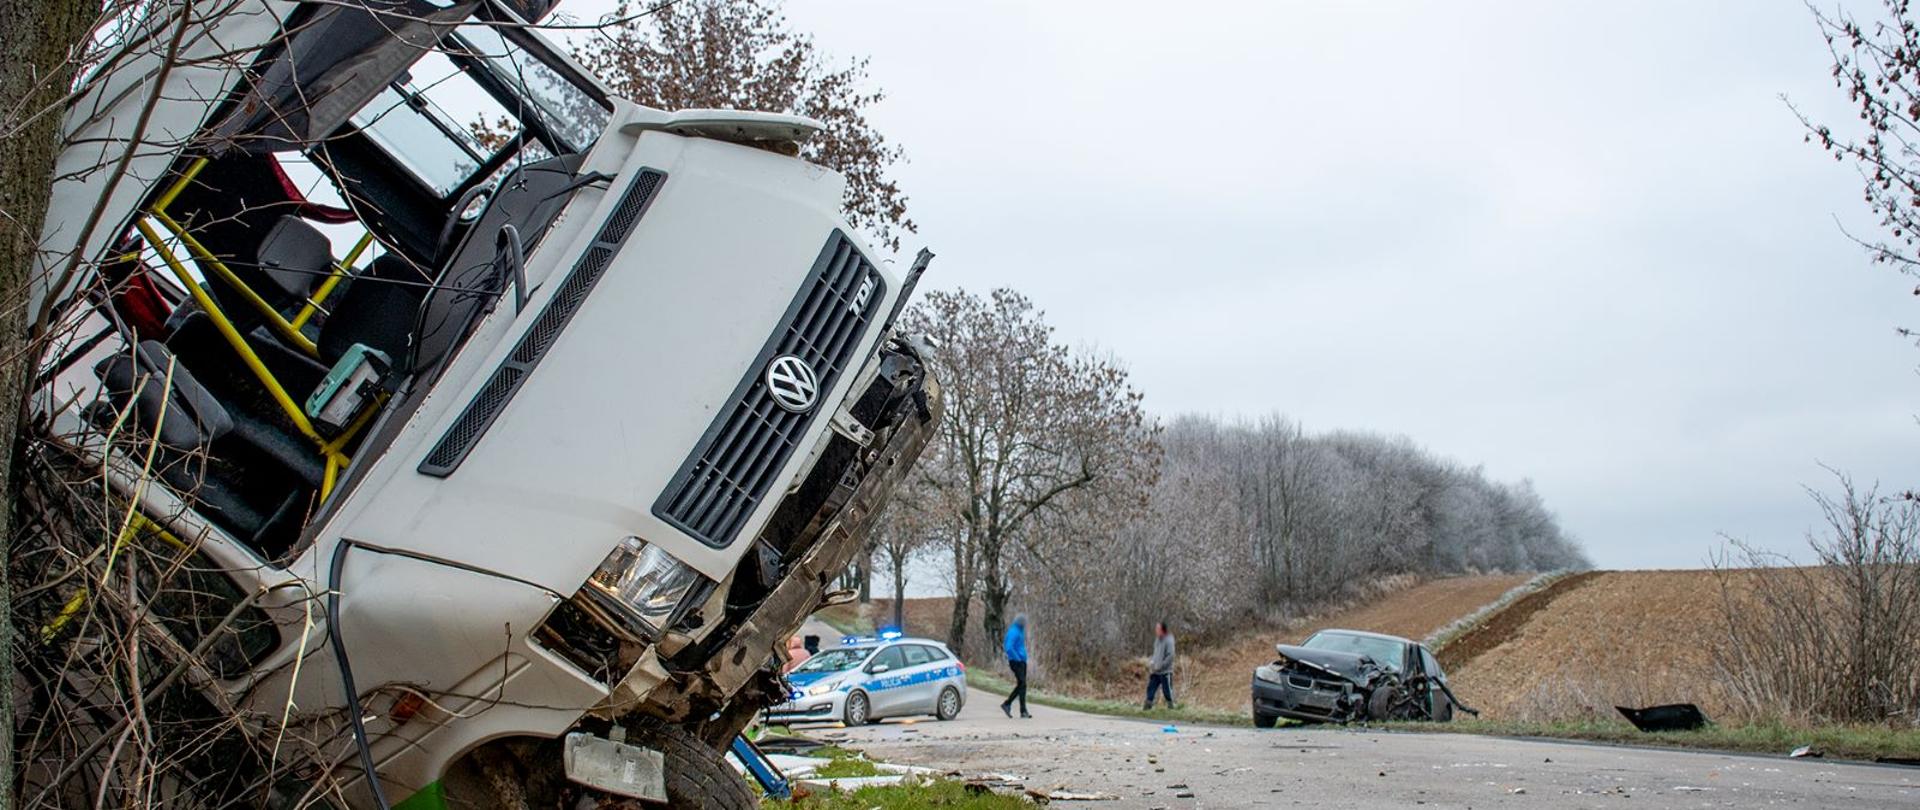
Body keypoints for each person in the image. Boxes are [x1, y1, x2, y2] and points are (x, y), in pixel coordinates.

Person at [1000, 614, 1031, 718]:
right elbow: (1008, 647)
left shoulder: (1019, 630)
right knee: (1022, 684)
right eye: (1024, 622)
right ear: (1020, 622)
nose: (1025, 624)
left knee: (1022, 685)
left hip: (1021, 661)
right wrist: (1017, 658)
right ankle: (1018, 708)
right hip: (1017, 662)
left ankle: (1010, 705)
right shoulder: (1014, 631)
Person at [1144, 621, 1176, 709]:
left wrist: (1161, 665)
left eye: (1157, 628)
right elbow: (1155, 654)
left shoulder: (1169, 640)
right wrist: (1152, 663)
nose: (1156, 630)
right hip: (1155, 671)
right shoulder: (1157, 640)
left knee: (1167, 691)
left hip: (1165, 671)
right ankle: (1147, 706)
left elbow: (1170, 656)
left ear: (1162, 630)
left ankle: (1171, 706)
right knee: (1151, 688)